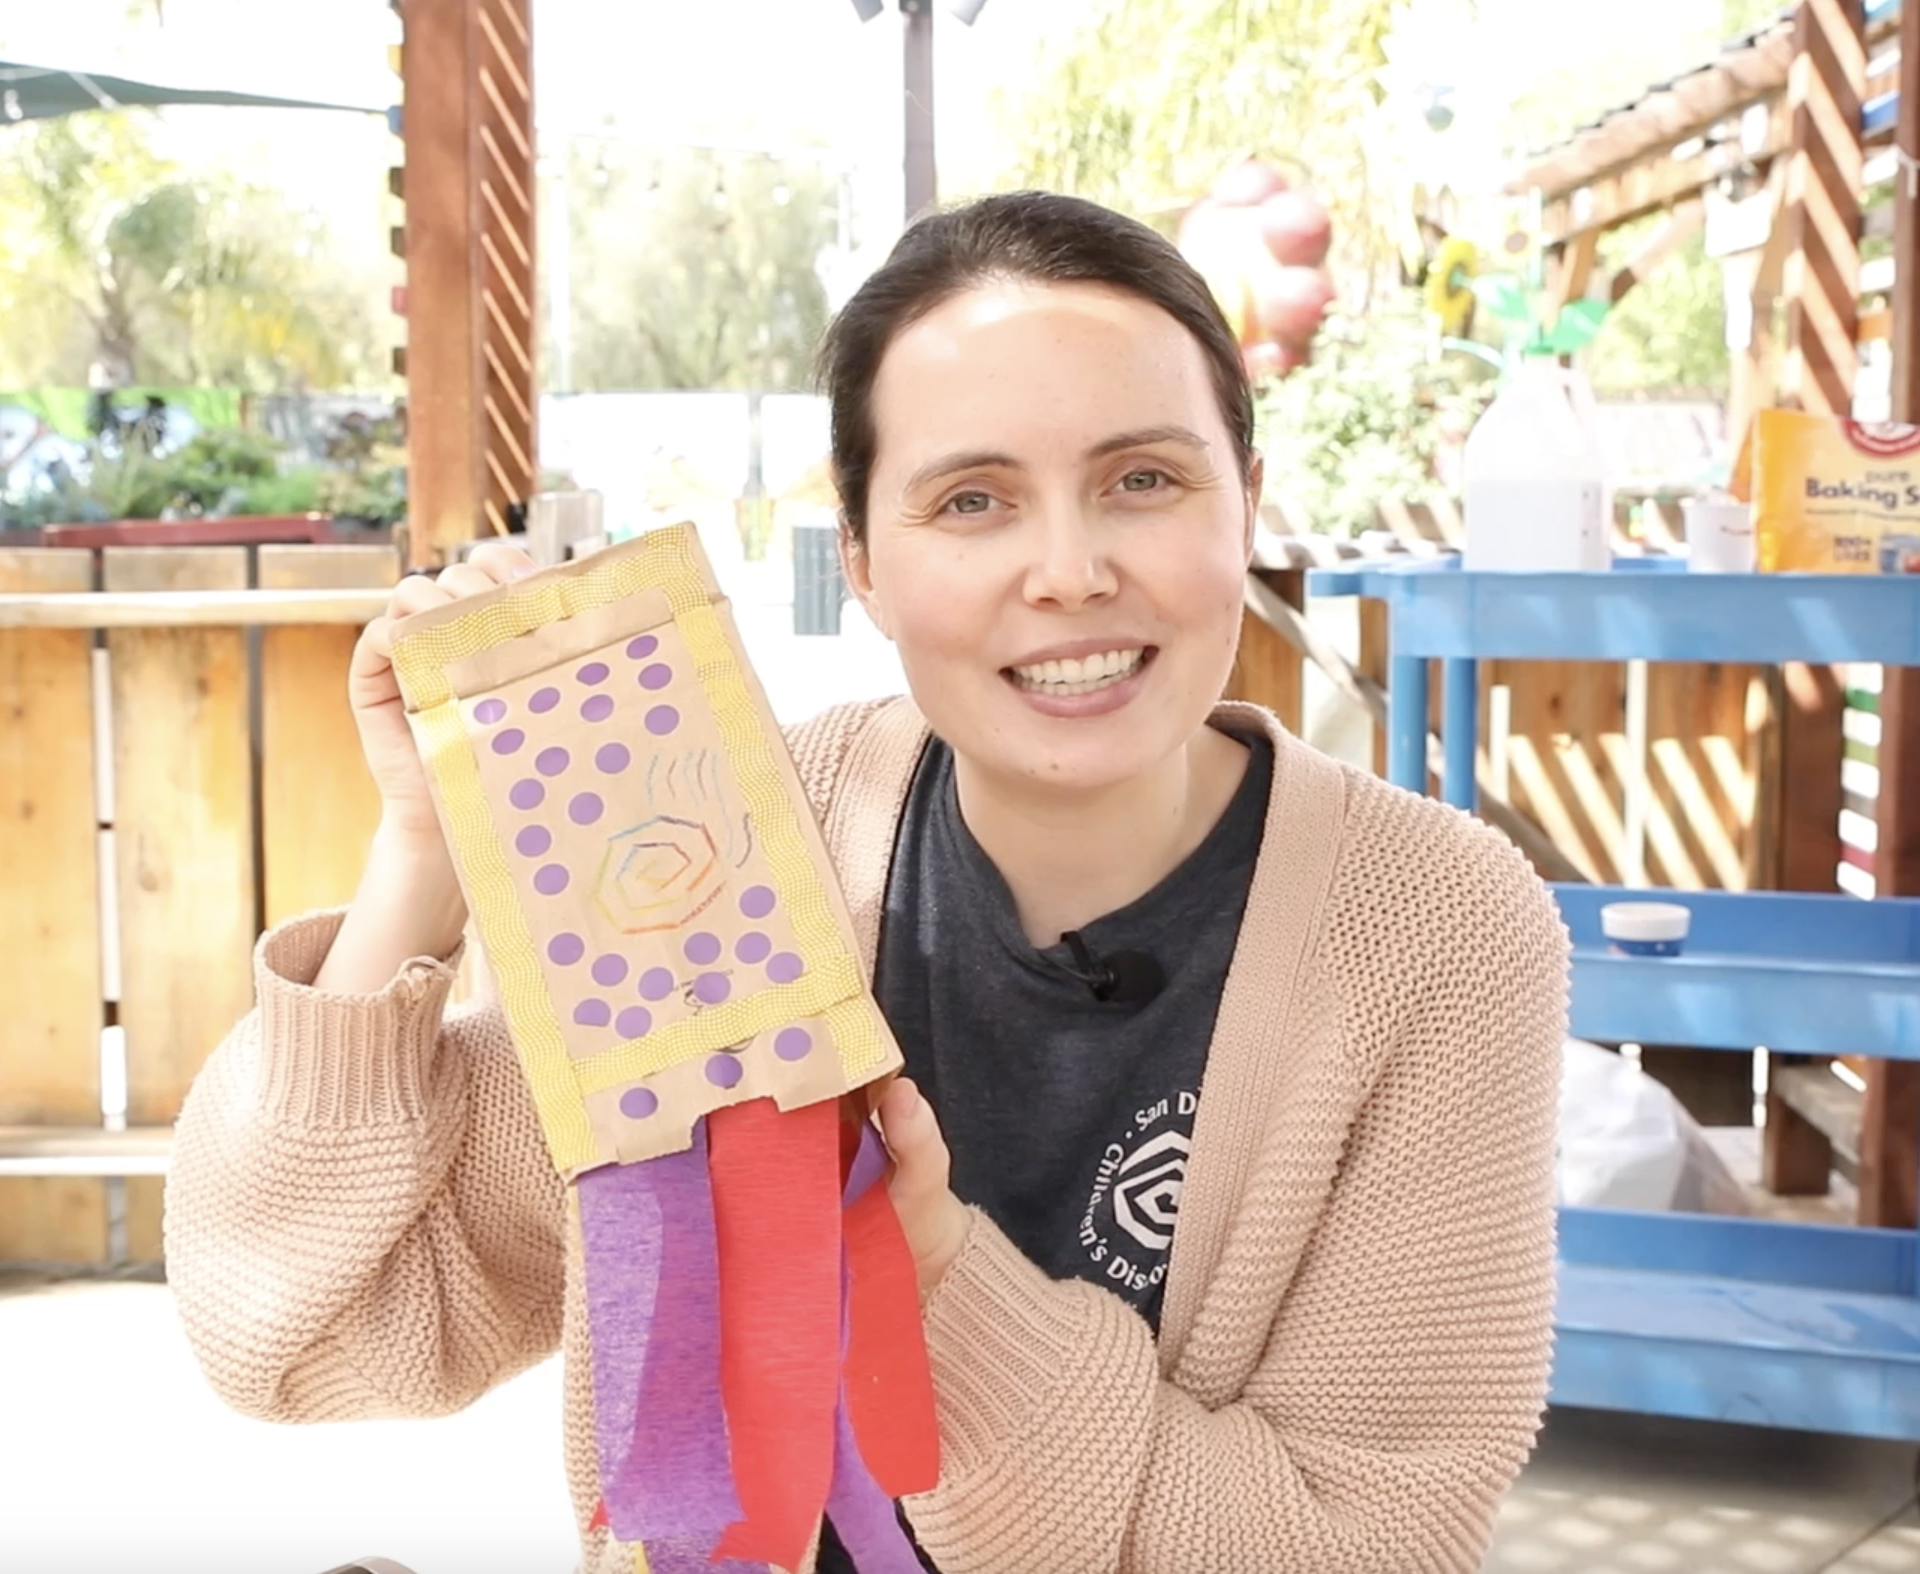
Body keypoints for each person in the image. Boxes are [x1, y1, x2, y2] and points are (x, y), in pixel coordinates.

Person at [166, 190, 1569, 1574]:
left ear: (1244, 503)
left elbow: (1366, 1536)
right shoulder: (736, 846)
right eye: (973, 500)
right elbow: (306, 1330)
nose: (1071, 571)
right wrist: (423, 856)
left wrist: (929, 1278)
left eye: (1145, 479)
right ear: (865, 564)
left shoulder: (1437, 926)